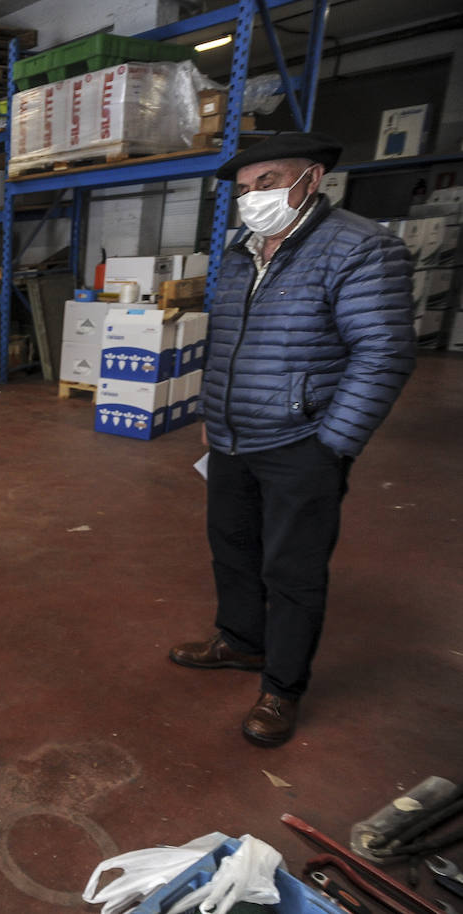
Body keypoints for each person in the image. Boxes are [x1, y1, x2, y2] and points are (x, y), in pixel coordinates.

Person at [169, 131, 416, 747]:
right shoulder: (238, 250)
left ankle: (282, 688)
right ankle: (241, 641)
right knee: (232, 547)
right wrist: (212, 408)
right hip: (230, 435)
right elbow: (225, 340)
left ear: (313, 179)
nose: (254, 198)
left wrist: (333, 443)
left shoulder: (360, 248)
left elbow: (384, 352)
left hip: (302, 441)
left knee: (293, 572)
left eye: (269, 182)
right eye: (245, 189)